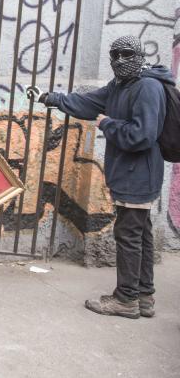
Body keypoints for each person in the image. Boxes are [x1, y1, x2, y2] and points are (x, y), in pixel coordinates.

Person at [28, 36, 172, 319]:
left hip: (138, 175)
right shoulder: (121, 85)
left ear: (138, 55)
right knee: (139, 234)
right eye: (114, 54)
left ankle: (126, 299)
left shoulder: (148, 87)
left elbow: (142, 135)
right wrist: (50, 98)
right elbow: (88, 103)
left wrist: (108, 124)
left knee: (128, 236)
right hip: (130, 174)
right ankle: (144, 296)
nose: (119, 59)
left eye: (126, 53)